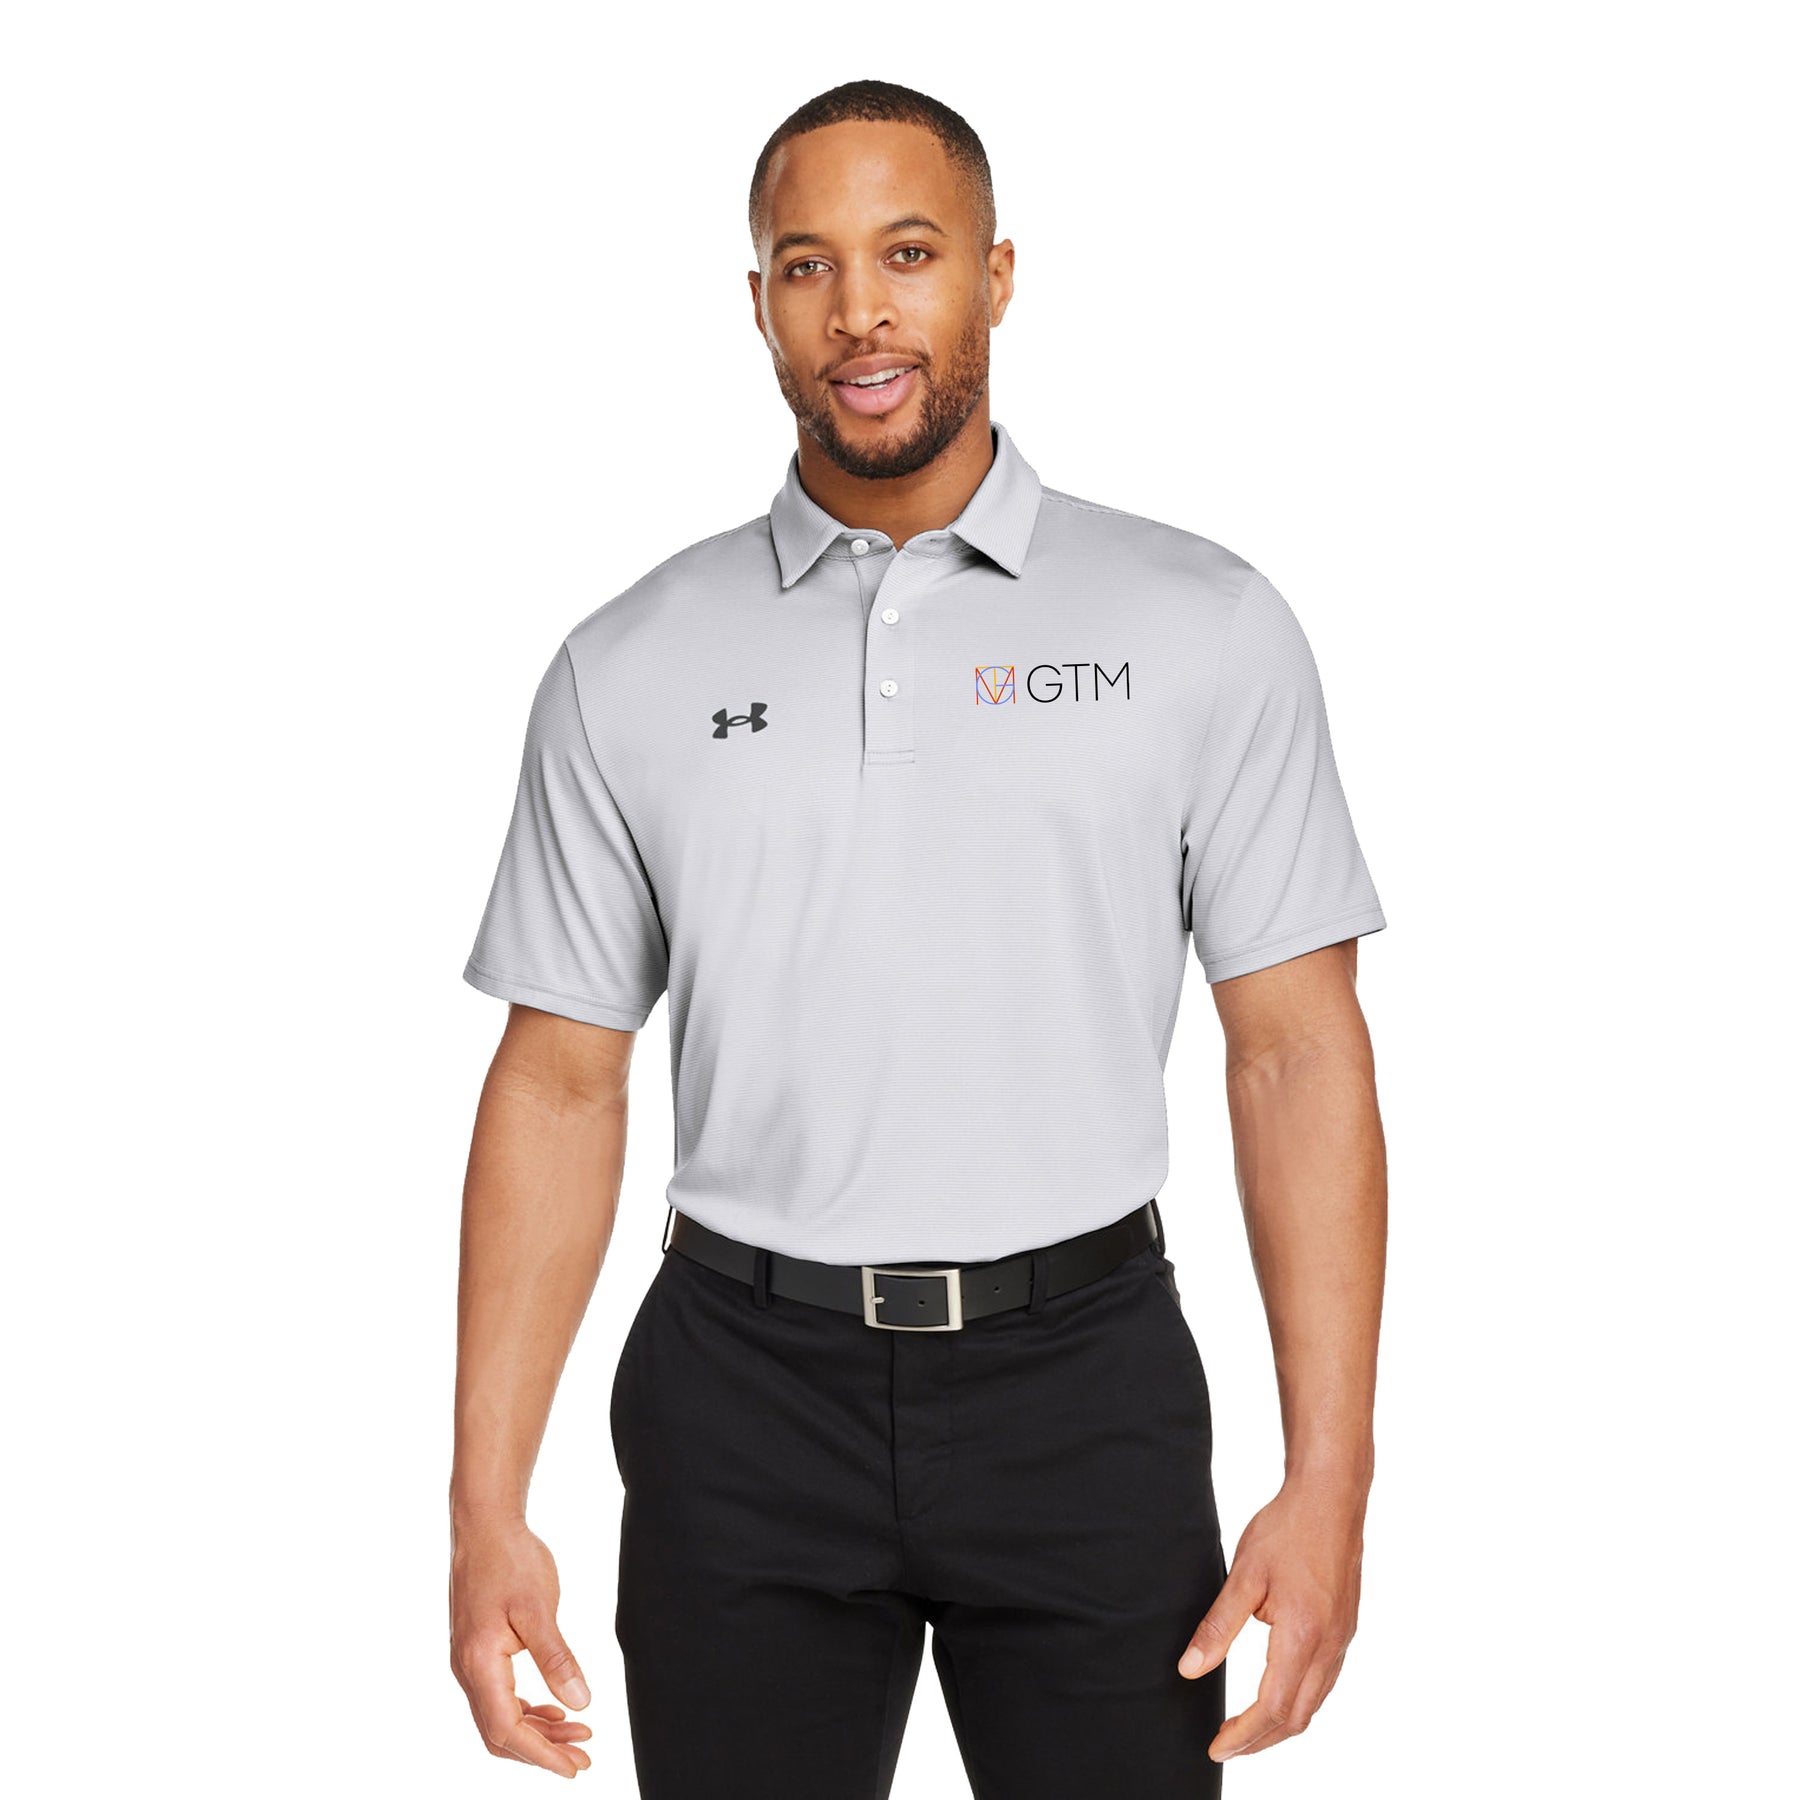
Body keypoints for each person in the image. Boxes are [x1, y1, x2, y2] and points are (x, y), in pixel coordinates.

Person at [448, 78, 1388, 1797]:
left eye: (908, 254)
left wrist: (1332, 1480)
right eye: (808, 265)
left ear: (995, 276)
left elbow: (1296, 1050)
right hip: (741, 1392)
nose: (859, 312)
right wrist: (483, 1503)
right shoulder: (627, 661)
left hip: (1086, 1384)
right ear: (758, 304)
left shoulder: (1204, 625)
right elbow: (560, 1081)